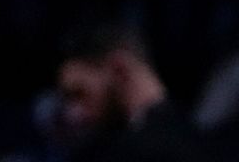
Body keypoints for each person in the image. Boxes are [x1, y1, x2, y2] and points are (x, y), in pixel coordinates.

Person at [51, 19, 208, 162]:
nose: (74, 112)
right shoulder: (197, 137)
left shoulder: (150, 150)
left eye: (80, 93)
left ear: (119, 69)